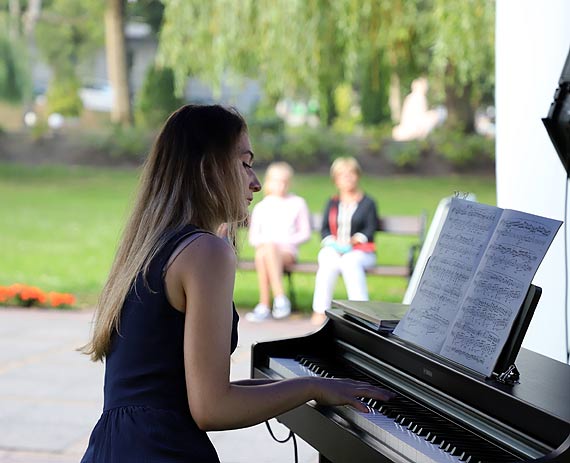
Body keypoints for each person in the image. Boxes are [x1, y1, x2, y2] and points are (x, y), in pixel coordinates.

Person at [79, 105, 393, 462]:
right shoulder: (205, 251)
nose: (255, 182)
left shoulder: (151, 247)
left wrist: (308, 387)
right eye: (245, 163)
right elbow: (212, 407)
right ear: (207, 169)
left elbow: (187, 394)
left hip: (115, 447)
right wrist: (310, 385)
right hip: (161, 451)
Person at [312, 157, 379, 325]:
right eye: (342, 175)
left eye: (351, 173)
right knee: (327, 258)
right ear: (335, 180)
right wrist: (333, 243)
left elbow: (370, 230)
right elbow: (325, 229)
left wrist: (353, 241)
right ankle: (320, 310)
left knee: (350, 261)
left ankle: (361, 312)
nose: (347, 178)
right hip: (336, 249)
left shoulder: (368, 203)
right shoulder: (333, 203)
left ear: (358, 176)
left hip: (362, 251)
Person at [245, 162, 311, 321]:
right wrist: (271, 243)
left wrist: (279, 241)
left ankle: (264, 305)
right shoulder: (262, 207)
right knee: (264, 252)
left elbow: (305, 233)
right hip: (266, 252)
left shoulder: (297, 203)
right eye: (276, 181)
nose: (280, 185)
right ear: (268, 182)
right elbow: (254, 238)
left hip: (287, 253)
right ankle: (280, 299)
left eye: (284, 182)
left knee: (265, 252)